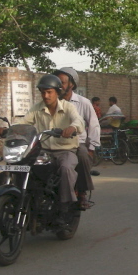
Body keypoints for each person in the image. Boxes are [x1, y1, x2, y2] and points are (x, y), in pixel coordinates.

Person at [16, 74, 85, 223]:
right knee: (23, 165)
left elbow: (78, 120)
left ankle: (65, 207)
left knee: (66, 168)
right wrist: (7, 129)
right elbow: (23, 122)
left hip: (65, 150)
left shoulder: (68, 107)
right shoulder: (37, 108)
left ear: (57, 92)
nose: (45, 96)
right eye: (43, 92)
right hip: (44, 152)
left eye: (49, 92)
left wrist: (72, 127)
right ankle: (25, 200)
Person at [54, 67, 100, 209]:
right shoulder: (51, 102)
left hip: (77, 143)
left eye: (62, 82)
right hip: (54, 143)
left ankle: (82, 193)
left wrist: (91, 147)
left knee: (83, 156)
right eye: (57, 82)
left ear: (71, 84)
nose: (59, 86)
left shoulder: (83, 102)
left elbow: (94, 125)